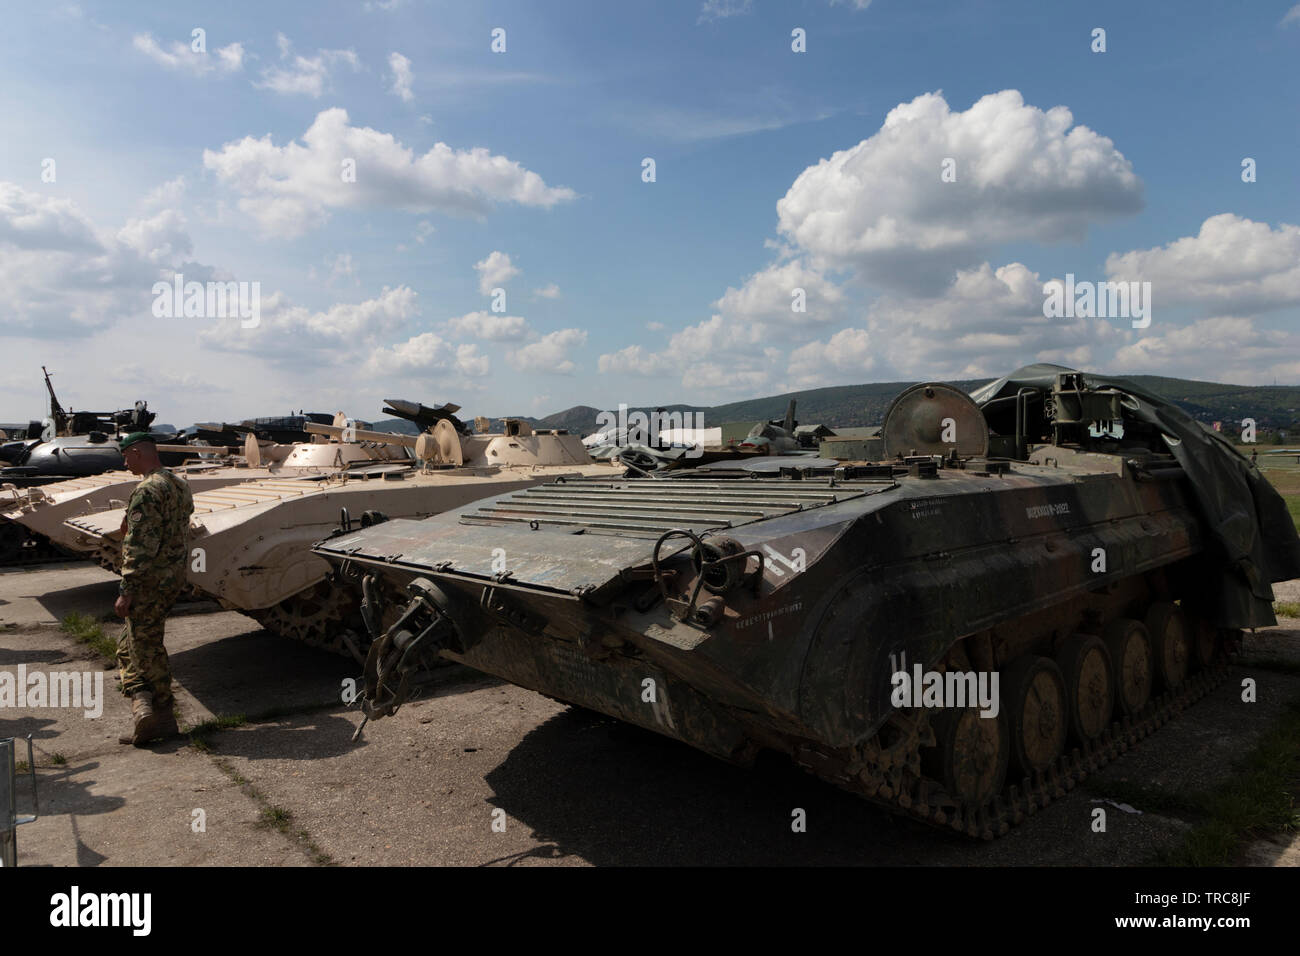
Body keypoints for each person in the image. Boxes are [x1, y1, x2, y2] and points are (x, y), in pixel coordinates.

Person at [113, 432, 194, 746]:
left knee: (146, 649)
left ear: (137, 453)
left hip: (149, 581)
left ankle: (161, 714)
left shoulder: (147, 490)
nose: (124, 463)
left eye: (126, 457)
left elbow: (139, 546)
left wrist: (127, 589)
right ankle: (142, 705)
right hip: (172, 577)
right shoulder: (178, 484)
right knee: (127, 646)